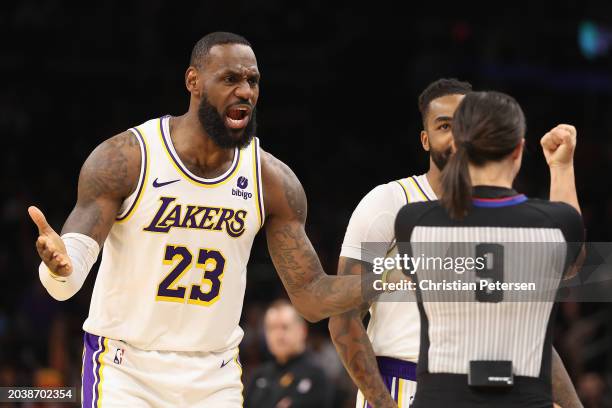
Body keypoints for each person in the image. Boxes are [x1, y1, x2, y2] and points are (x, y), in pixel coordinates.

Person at [27, 32, 375, 407]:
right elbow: (66, 280)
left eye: (252, 81)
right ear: (193, 81)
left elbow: (309, 297)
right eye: (230, 79)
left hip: (214, 375)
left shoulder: (272, 180)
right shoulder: (128, 158)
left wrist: (392, 277)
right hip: (126, 370)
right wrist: (59, 269)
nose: (246, 91)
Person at [328, 79, 583, 408]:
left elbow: (532, 328)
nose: (457, 136)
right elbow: (342, 318)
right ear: (425, 139)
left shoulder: (500, 218)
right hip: (400, 381)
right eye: (445, 125)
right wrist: (383, 402)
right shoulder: (390, 202)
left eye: (466, 125)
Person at [245, 300, 332, 408]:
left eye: (285, 327)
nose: (278, 335)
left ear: (302, 330)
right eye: (272, 328)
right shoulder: (259, 375)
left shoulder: (316, 376)